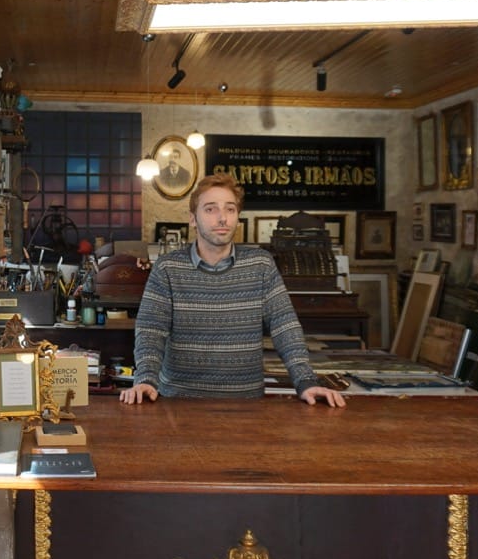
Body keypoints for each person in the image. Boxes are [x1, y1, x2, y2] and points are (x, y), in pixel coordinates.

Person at [120, 173, 345, 407]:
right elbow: (151, 330)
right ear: (192, 219)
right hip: (178, 403)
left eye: (230, 209)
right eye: (210, 209)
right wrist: (146, 378)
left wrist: (306, 381)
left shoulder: (261, 265)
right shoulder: (168, 267)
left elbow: (284, 327)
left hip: (246, 404)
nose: (222, 218)